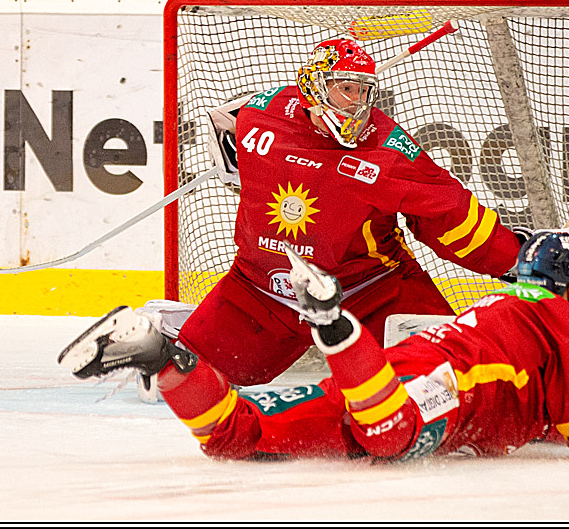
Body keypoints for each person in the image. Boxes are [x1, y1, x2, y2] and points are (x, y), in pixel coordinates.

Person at [59, 232, 569, 462]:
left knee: (234, 436)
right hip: (428, 392)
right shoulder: (568, 322)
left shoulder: (498, 307)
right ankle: (332, 324)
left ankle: (166, 356)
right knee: (390, 435)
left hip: (390, 373)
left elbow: (530, 406)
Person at [172, 37, 525, 387]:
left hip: (370, 290)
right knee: (185, 378)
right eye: (346, 89)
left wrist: (514, 258)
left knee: (449, 381)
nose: (356, 103)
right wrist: (234, 166)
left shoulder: (387, 150)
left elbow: (450, 213)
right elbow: (226, 120)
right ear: (313, 88)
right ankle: (169, 323)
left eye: (363, 91)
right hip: (261, 289)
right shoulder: (260, 115)